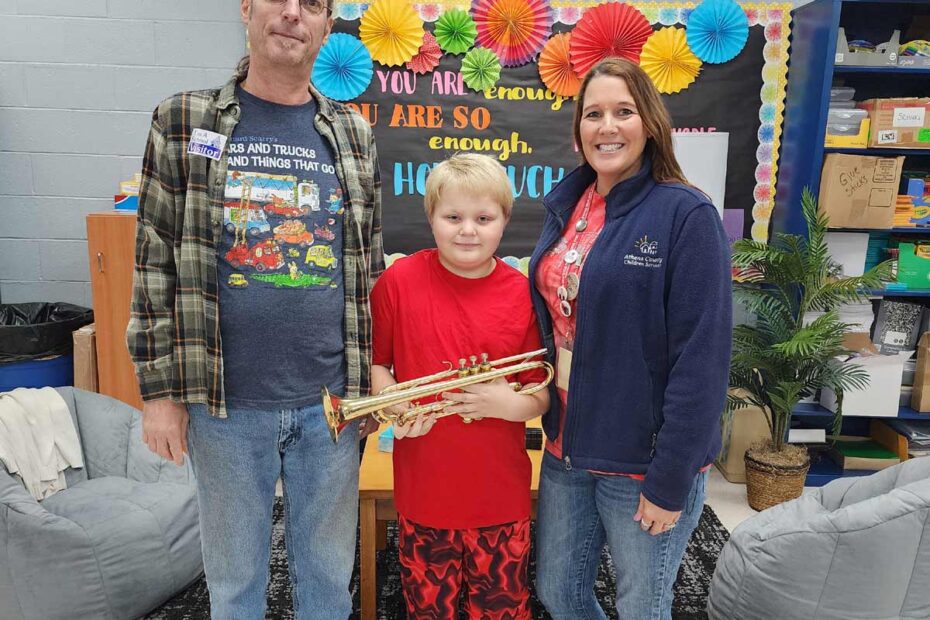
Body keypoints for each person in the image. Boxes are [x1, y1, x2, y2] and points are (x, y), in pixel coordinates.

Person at [126, 0, 383, 617]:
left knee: (326, 578)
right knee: (236, 581)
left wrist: (374, 375)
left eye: (313, 6)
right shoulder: (184, 120)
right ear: (247, 9)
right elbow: (153, 260)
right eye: (280, 0)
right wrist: (159, 393)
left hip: (330, 407)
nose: (294, 14)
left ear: (326, 26)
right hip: (225, 405)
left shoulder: (353, 133)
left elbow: (369, 264)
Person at [529, 57, 732, 620]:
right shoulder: (570, 205)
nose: (607, 126)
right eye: (593, 114)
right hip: (567, 445)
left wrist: (669, 480)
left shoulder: (685, 214)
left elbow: (703, 360)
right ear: (578, 130)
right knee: (560, 592)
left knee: (642, 604)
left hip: (642, 459)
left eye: (624, 111)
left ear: (650, 122)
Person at [370, 153, 550, 619]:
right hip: (425, 492)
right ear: (431, 218)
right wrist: (393, 406)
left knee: (503, 609)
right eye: (453, 217)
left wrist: (503, 402)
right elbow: (376, 365)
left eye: (483, 218)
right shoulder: (397, 282)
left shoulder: (522, 294)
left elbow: (541, 390)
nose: (468, 230)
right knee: (429, 610)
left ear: (504, 221)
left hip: (500, 496)